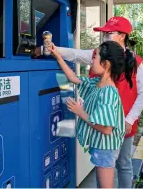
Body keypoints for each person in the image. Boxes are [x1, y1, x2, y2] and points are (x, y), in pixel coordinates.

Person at [37, 16, 143, 188]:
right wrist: (56, 52)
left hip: (120, 126)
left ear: (122, 35)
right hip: (106, 131)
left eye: (108, 33)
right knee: (106, 171)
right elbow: (75, 57)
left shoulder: (131, 64)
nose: (104, 36)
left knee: (122, 165)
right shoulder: (101, 57)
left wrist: (129, 119)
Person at [48, 41, 133, 188]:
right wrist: (58, 56)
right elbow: (73, 78)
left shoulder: (108, 92)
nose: (91, 61)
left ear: (106, 64)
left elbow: (107, 129)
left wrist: (81, 112)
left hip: (106, 148)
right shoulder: (97, 83)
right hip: (101, 146)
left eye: (95, 57)